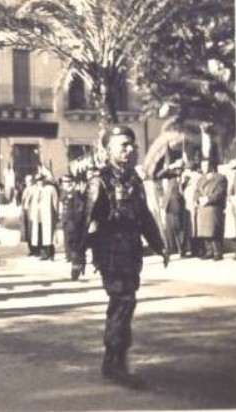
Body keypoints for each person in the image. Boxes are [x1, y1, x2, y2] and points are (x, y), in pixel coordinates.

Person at [70, 125, 168, 388]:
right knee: (123, 301)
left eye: (131, 144)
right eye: (122, 144)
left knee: (126, 302)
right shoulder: (98, 181)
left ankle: (114, 359)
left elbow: (144, 215)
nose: (129, 149)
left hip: (131, 251)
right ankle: (115, 362)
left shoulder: (133, 180)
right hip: (110, 252)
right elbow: (84, 220)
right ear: (108, 149)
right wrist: (77, 256)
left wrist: (159, 244)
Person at [194, 153, 228, 260]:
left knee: (214, 228)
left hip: (213, 206)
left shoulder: (220, 178)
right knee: (204, 230)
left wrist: (207, 199)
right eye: (202, 165)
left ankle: (217, 252)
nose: (204, 167)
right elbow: (196, 191)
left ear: (211, 166)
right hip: (203, 206)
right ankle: (209, 251)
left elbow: (220, 193)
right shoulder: (200, 179)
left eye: (206, 165)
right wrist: (198, 199)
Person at [20, 175, 35, 256]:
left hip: (32, 212)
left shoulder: (34, 189)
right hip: (25, 212)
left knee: (33, 231)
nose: (28, 182)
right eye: (26, 181)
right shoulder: (25, 190)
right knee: (27, 232)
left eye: (29, 181)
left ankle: (36, 249)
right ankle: (31, 249)